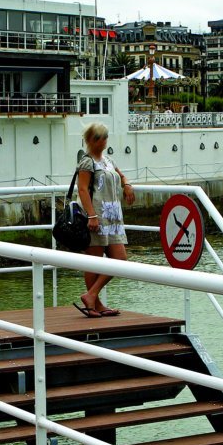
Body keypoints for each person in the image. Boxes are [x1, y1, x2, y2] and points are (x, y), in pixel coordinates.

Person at [73, 122, 131, 318]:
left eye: (105, 137)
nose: (103, 141)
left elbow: (119, 173)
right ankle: (94, 303)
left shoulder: (108, 160)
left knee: (120, 259)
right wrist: (91, 215)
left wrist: (126, 183)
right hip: (96, 216)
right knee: (95, 262)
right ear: (90, 140)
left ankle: (91, 296)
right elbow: (82, 189)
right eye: (98, 137)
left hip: (113, 218)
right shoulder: (87, 162)